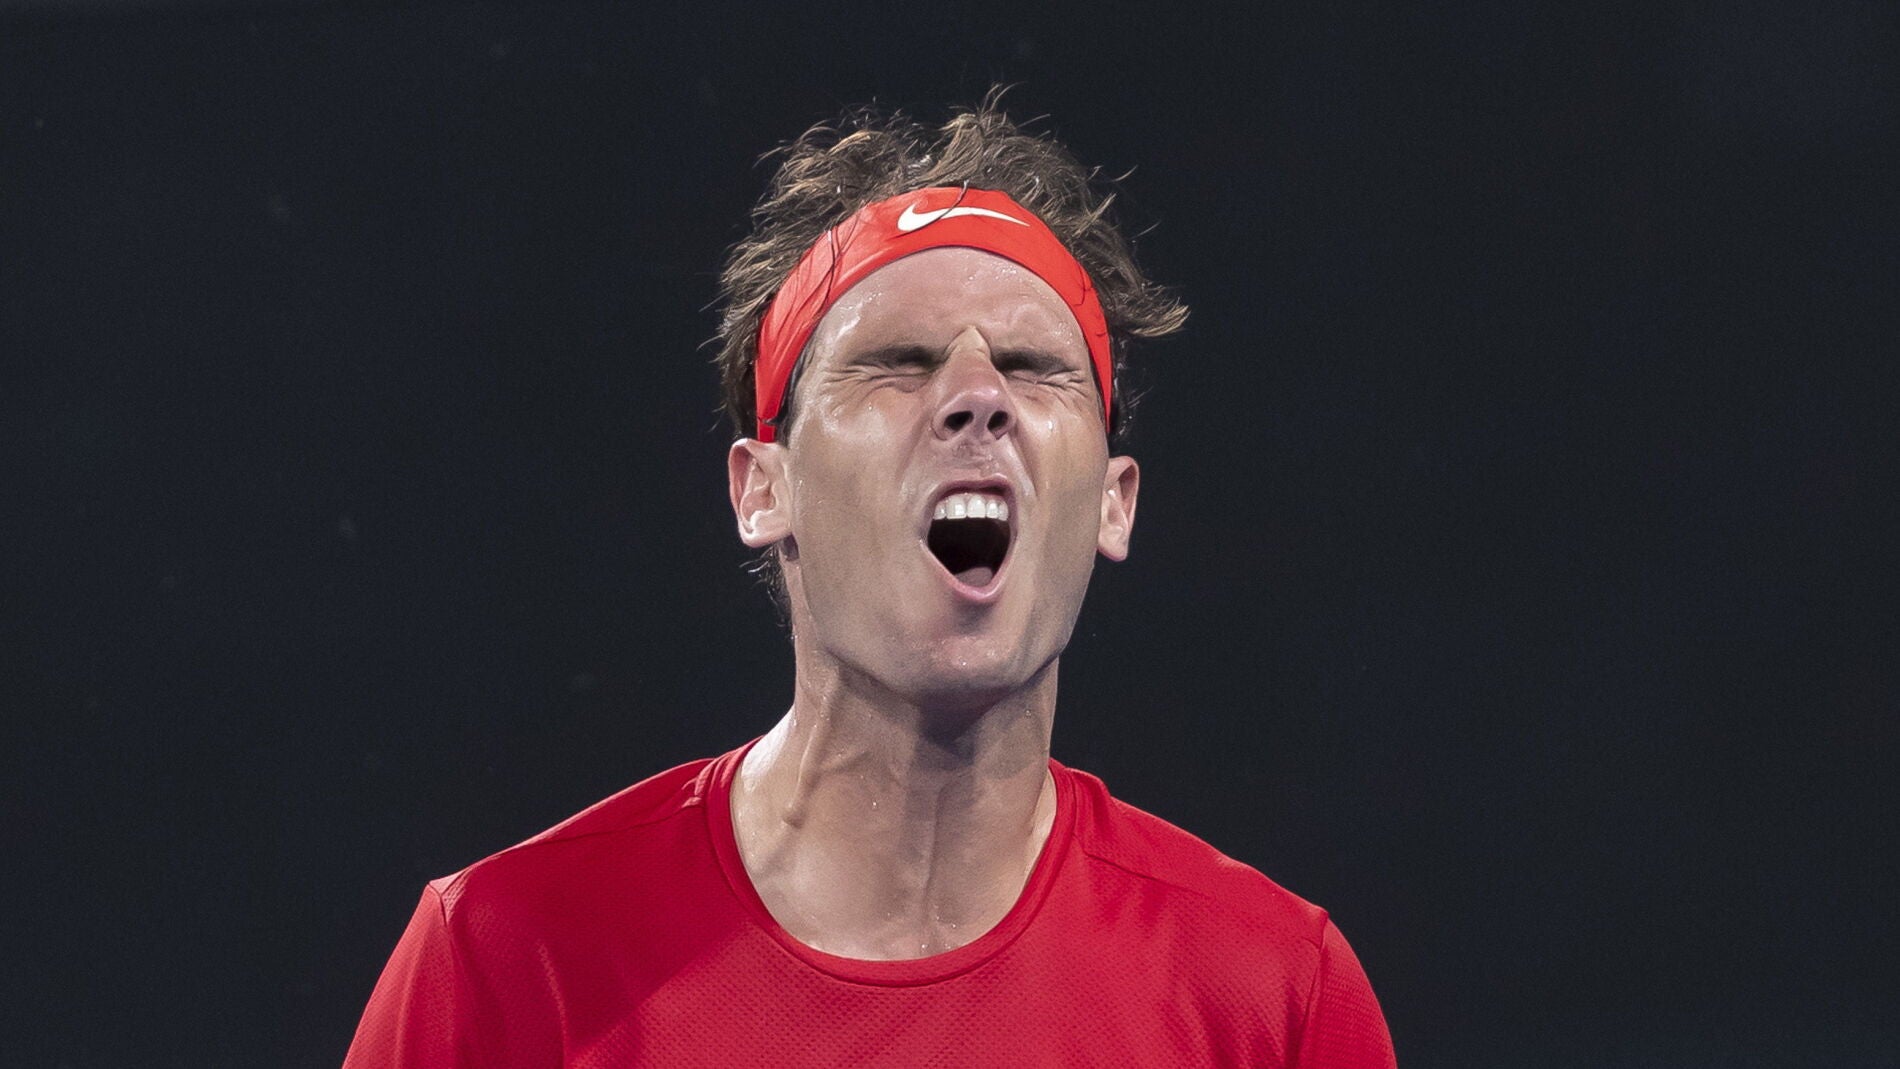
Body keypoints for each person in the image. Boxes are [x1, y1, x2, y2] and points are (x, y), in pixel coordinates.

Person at [344, 95, 1398, 1068]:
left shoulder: (1272, 994)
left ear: (1113, 503)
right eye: (899, 360)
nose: (978, 396)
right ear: (764, 489)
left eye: (1033, 368)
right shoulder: (504, 959)